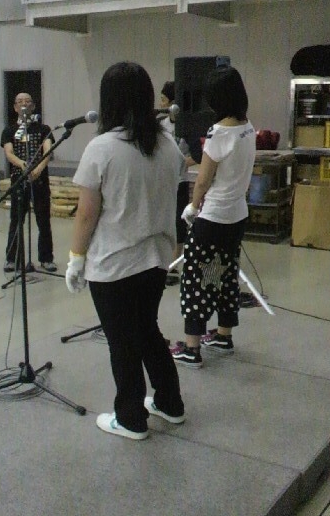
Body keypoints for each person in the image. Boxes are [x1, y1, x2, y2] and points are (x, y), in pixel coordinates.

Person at [65, 61, 186, 440]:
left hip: (113, 265)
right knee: (147, 330)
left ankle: (131, 418)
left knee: (123, 342)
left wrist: (75, 259)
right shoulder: (168, 146)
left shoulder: (101, 148)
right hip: (156, 260)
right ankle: (170, 403)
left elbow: (86, 214)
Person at [171, 66, 256, 368]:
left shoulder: (219, 132)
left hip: (213, 218)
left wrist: (193, 207)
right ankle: (223, 335)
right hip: (237, 216)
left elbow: (203, 180)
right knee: (226, 274)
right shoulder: (248, 127)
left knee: (197, 279)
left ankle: (191, 348)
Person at [1, 92, 57, 273]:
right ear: (15, 107)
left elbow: (48, 150)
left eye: (27, 101)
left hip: (39, 180)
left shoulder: (44, 129)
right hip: (19, 180)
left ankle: (46, 258)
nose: (23, 104)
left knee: (43, 220)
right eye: (20, 102)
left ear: (33, 106)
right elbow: (9, 153)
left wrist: (38, 168)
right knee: (16, 220)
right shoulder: (9, 131)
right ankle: (12, 259)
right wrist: (23, 165)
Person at [159, 80, 202, 286]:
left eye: (164, 99)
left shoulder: (187, 127)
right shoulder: (160, 124)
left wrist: (181, 163)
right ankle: (161, 262)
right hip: (162, 182)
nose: (161, 103)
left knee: (178, 224)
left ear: (173, 103)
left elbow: (199, 155)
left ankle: (173, 266)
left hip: (179, 182)